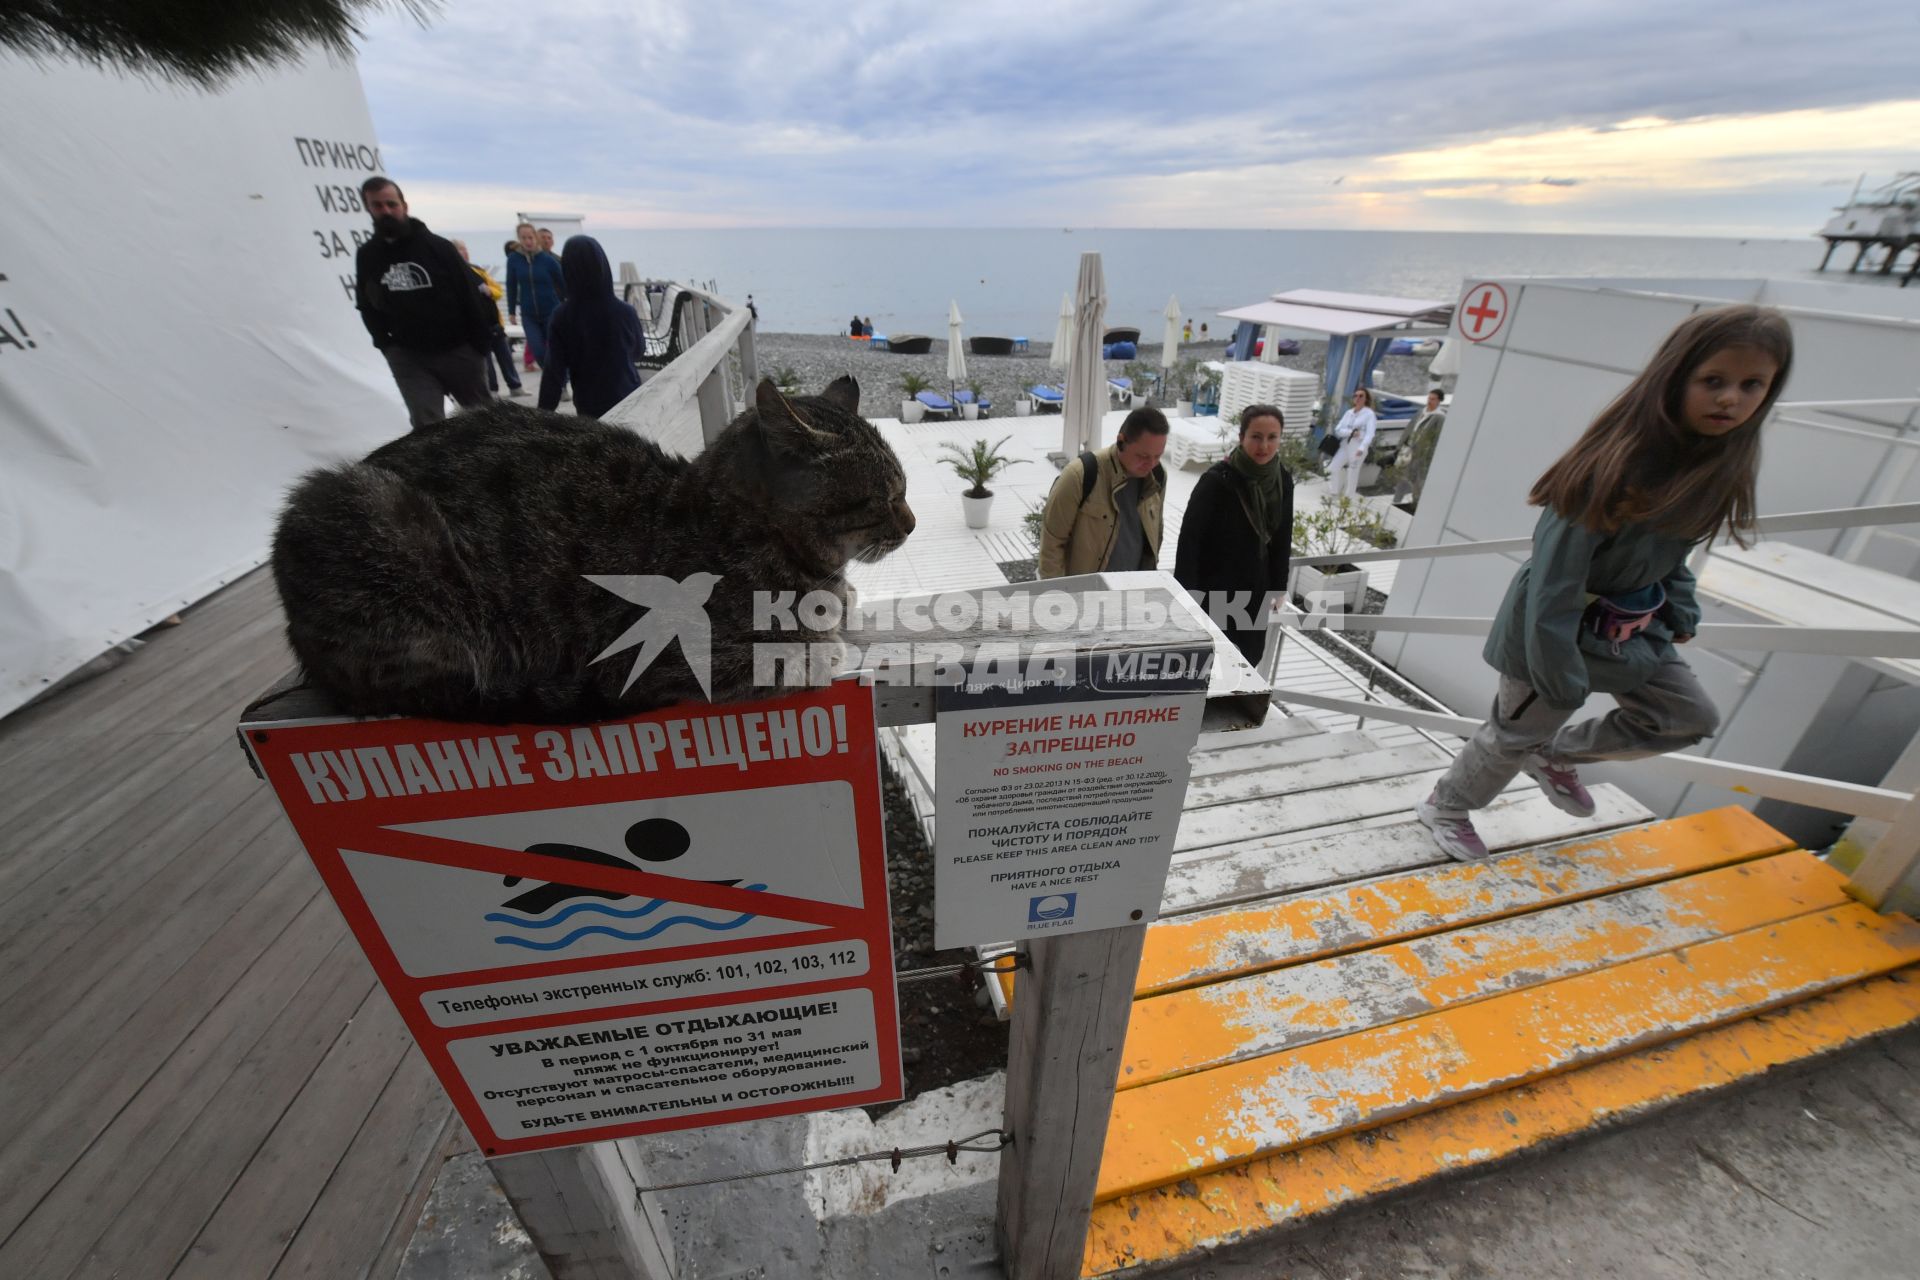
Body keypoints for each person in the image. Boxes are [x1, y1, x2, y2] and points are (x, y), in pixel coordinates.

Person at [1415, 305, 1794, 861]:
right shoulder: (1611, 467)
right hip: (1549, 635)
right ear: (1674, 379)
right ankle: (1446, 806)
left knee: (1687, 718)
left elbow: (1673, 557)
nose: (1730, 399)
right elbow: (1553, 583)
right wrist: (1559, 676)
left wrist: (1682, 612)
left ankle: (1558, 753)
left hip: (1630, 630)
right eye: (1713, 381)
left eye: (1751, 385)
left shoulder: (1710, 470)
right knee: (1511, 735)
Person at [353, 177, 495, 430]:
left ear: (404, 206)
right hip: (409, 356)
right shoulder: (368, 256)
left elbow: (470, 295)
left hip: (459, 350)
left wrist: (479, 346)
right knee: (427, 429)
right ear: (368, 208)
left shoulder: (438, 248)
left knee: (484, 423)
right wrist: (385, 344)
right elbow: (366, 303)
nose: (386, 211)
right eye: (378, 206)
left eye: (391, 204)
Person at [1174, 404, 1294, 664]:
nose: (1264, 445)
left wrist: (1278, 586)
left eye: (1272, 437)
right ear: (1242, 438)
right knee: (1211, 660)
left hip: (1255, 589)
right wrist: (1187, 597)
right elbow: (1189, 543)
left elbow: (1283, 535)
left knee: (1249, 658)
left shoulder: (1282, 479)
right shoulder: (1217, 482)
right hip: (1216, 587)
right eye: (1256, 437)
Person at [1038, 407, 1170, 578]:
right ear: (1121, 441)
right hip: (1085, 595)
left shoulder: (1158, 476)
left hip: (1134, 591)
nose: (1151, 464)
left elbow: (1156, 533)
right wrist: (1060, 598)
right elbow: (1051, 546)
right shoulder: (1080, 475)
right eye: (1143, 456)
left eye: (1158, 456)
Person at [538, 235, 646, 420]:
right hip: (629, 395)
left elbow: (553, 373)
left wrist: (541, 416)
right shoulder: (625, 312)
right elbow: (638, 351)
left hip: (590, 404)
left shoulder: (562, 317)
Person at [454, 238, 524, 397]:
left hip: (493, 321)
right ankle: (492, 389)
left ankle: (515, 385)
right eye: (461, 249)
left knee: (504, 355)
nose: (465, 252)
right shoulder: (454, 272)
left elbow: (498, 290)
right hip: (475, 325)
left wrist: (489, 291)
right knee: (485, 360)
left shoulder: (478, 270)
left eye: (465, 249)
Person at [506, 221, 566, 372]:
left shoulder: (548, 260)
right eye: (524, 238)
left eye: (530, 237)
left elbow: (563, 282)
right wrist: (511, 311)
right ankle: (553, 375)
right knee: (538, 350)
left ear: (535, 238)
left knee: (556, 349)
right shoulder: (514, 260)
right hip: (528, 314)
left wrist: (569, 303)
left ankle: (562, 381)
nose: (528, 241)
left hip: (550, 310)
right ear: (519, 239)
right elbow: (511, 285)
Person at [1396, 388, 1446, 505]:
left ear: (1439, 401)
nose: (1430, 401)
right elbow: (1409, 429)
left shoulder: (1439, 417)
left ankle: (1416, 503)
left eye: (1433, 399)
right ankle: (1397, 499)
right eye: (1429, 398)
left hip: (1422, 454)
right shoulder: (1420, 412)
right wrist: (1400, 445)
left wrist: (1429, 455)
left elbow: (1437, 437)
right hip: (1408, 450)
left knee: (1418, 480)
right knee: (1402, 476)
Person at [1326, 387, 1377, 498]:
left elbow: (1370, 433)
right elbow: (1338, 430)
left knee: (1352, 472)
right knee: (1333, 467)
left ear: (1366, 399)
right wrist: (1351, 432)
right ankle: (1334, 491)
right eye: (1355, 395)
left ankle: (1348, 497)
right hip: (1345, 444)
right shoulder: (1349, 413)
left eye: (1361, 396)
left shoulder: (1369, 414)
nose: (1357, 398)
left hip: (1357, 446)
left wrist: (1362, 447)